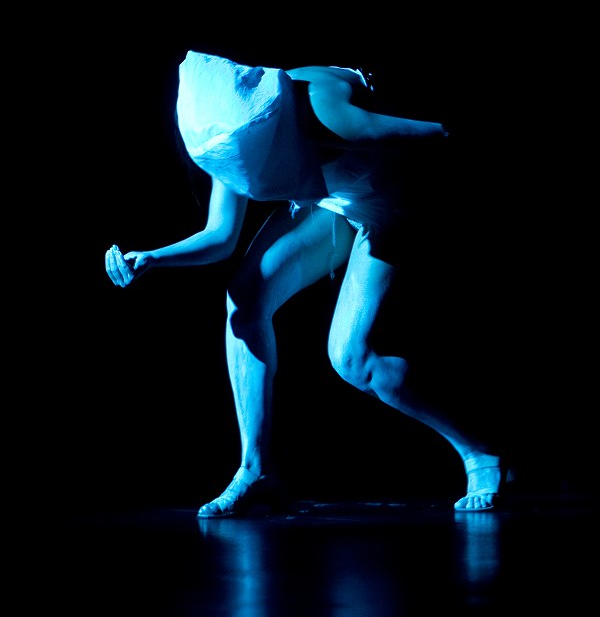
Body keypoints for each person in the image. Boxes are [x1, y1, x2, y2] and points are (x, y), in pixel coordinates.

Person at [105, 51, 505, 517]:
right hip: (337, 202)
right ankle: (255, 471)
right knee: (245, 300)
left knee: (352, 359)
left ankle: (481, 452)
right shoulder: (230, 132)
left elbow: (445, 139)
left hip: (392, 202)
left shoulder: (327, 113)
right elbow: (220, 236)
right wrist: (153, 258)